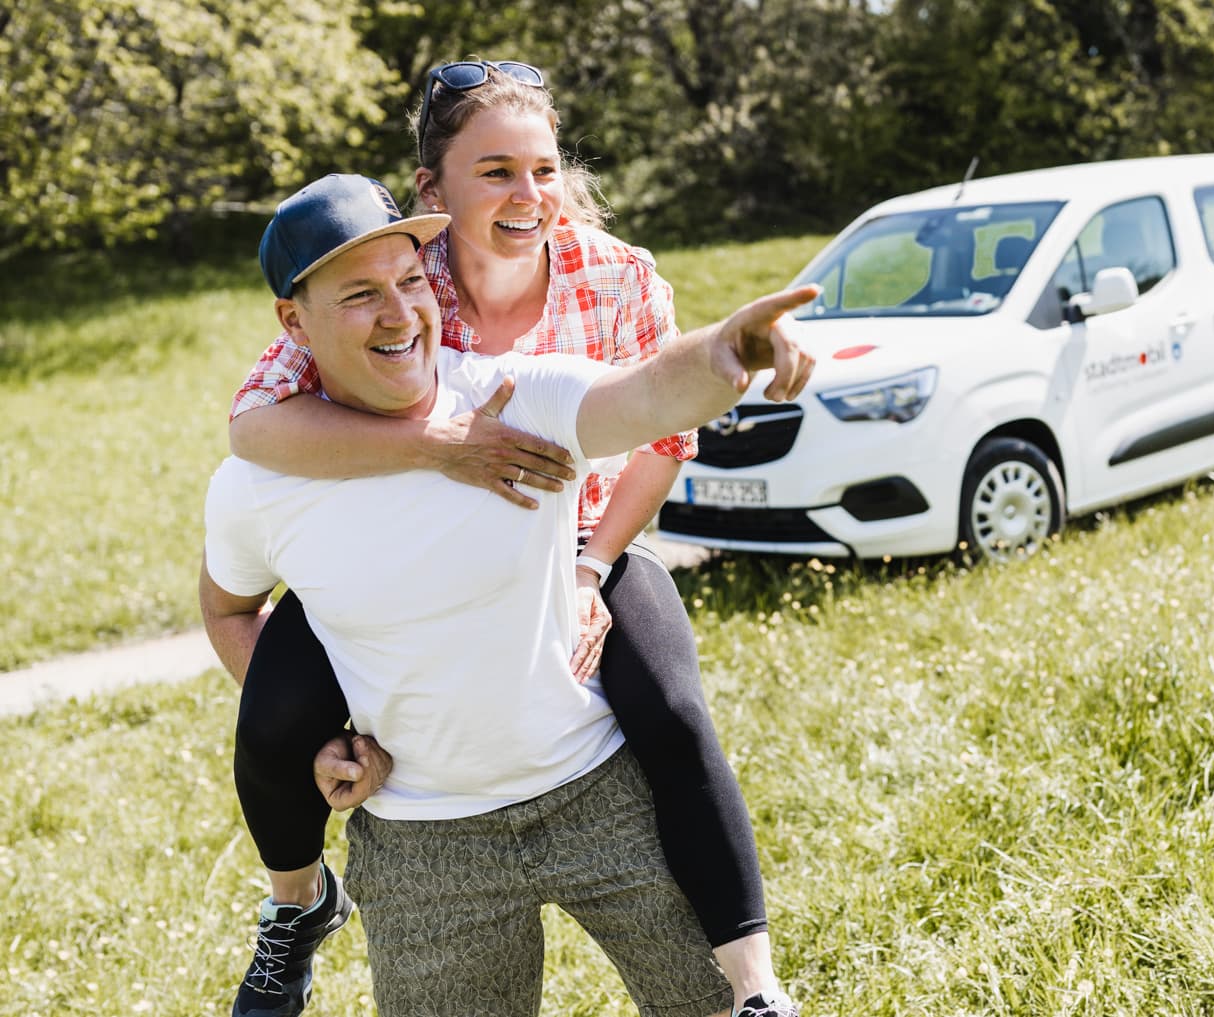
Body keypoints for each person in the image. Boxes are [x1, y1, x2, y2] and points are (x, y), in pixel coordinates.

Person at [221, 62, 792, 1017]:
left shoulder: (614, 274)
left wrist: (588, 566)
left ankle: (754, 987)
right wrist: (443, 442)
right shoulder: (401, 266)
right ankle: (295, 905)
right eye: (495, 172)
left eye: (544, 169)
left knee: (668, 707)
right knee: (277, 710)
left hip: (582, 532)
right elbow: (255, 424)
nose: (528, 195)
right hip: (415, 546)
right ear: (432, 193)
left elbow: (657, 428)